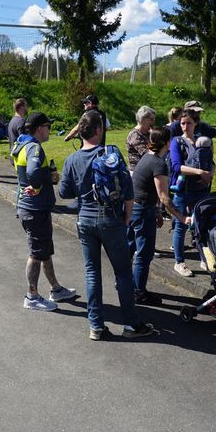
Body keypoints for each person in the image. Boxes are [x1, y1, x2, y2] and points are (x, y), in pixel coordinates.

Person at [58, 111, 154, 340]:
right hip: (111, 219)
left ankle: (96, 326)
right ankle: (131, 324)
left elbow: (63, 192)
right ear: (99, 130)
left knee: (92, 272)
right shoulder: (111, 153)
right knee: (123, 273)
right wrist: (127, 217)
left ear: (80, 133)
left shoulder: (72, 159)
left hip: (85, 220)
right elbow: (128, 189)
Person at [10, 112, 76, 311]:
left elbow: (27, 171)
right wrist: (38, 186)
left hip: (31, 207)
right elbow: (32, 172)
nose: (49, 130)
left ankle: (56, 289)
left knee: (43, 251)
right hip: (35, 209)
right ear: (39, 128)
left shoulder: (21, 144)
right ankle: (32, 296)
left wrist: (47, 176)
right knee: (36, 254)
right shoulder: (34, 147)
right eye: (48, 126)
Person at [131, 127, 191, 306]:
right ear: (167, 143)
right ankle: (138, 293)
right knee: (144, 254)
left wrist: (157, 212)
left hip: (136, 208)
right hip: (142, 212)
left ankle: (126, 285)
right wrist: (181, 218)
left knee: (131, 248)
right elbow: (164, 197)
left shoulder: (146, 157)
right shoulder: (159, 163)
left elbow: (148, 189)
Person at [169, 110, 215, 277]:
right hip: (183, 190)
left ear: (196, 123)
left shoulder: (202, 141)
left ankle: (204, 258)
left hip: (201, 190)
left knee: (202, 226)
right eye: (182, 123)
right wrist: (200, 173)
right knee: (181, 226)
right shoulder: (176, 142)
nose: (185, 126)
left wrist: (209, 175)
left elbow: (211, 162)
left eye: (189, 123)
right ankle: (179, 262)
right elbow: (176, 166)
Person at [126, 105, 156, 172]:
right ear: (143, 119)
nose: (154, 122)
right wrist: (154, 138)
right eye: (151, 119)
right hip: (137, 171)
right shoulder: (135, 135)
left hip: (147, 169)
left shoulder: (148, 132)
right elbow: (148, 154)